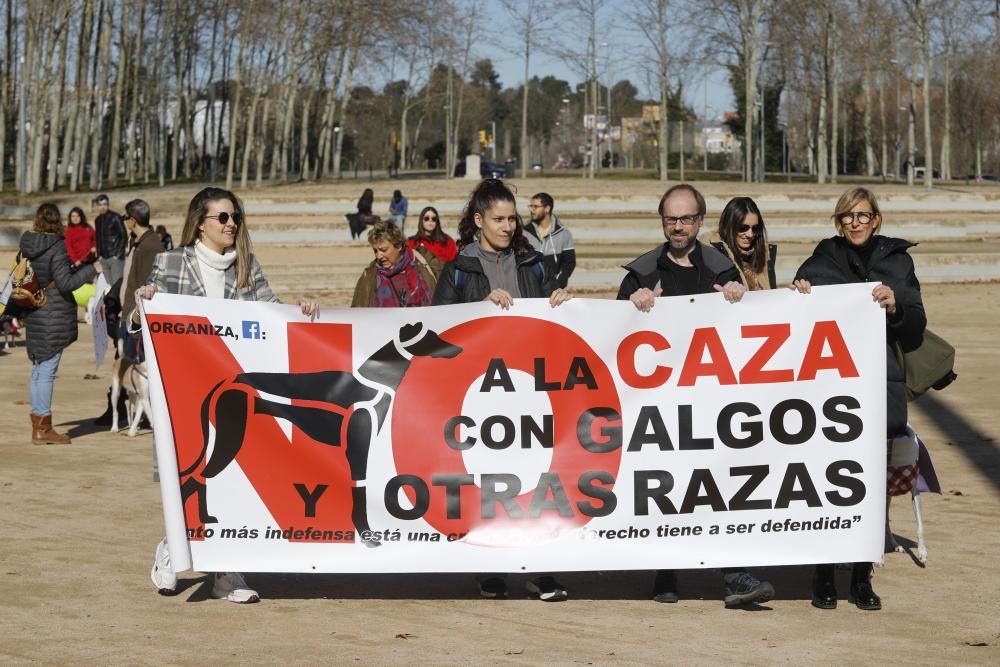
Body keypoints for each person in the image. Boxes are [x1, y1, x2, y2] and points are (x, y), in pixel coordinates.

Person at [136, 186, 319, 604]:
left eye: (234, 217)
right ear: (200, 222)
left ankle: (227, 575)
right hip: (184, 393)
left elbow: (271, 311)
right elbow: (139, 316)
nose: (231, 224)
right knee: (188, 475)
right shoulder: (170, 263)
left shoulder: (246, 267)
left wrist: (300, 311)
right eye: (222, 217)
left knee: (231, 479)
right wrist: (143, 302)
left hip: (232, 395)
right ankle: (171, 548)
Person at [618, 183, 775, 608]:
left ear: (700, 221)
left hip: (712, 400)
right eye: (671, 218)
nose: (679, 226)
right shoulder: (641, 274)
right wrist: (633, 306)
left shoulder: (723, 270)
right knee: (666, 487)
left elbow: (748, 332)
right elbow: (614, 334)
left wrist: (736, 300)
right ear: (662, 221)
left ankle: (733, 576)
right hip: (661, 403)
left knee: (718, 485)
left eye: (686, 218)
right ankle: (665, 573)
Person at [432, 178, 571, 602]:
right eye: (499, 219)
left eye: (513, 218)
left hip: (530, 389)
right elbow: (438, 328)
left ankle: (539, 569)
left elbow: (554, 319)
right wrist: (475, 310)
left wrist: (563, 300)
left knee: (536, 473)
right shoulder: (457, 269)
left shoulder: (534, 264)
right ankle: (491, 565)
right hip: (478, 394)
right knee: (490, 477)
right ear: (478, 221)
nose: (509, 226)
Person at [793, 187, 926, 612]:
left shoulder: (899, 262)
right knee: (826, 483)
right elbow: (793, 323)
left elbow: (917, 326)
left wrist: (895, 307)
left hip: (879, 385)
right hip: (828, 394)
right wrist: (797, 295)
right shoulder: (820, 260)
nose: (855, 223)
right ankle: (824, 574)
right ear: (838, 221)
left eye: (863, 215)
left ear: (876, 220)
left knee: (871, 488)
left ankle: (861, 577)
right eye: (847, 216)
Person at [19, 203, 102, 444]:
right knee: (45, 372)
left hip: (33, 308)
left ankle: (38, 424)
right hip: (52, 312)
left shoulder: (26, 244)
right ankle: (43, 427)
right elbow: (65, 283)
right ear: (58, 221)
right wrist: (91, 270)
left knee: (37, 370)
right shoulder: (56, 247)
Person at [351, 221, 439, 307]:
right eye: (375, 251)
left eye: (383, 250)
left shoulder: (426, 262)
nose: (378, 256)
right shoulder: (369, 276)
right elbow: (357, 313)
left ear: (398, 246)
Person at [711, 196, 776, 290]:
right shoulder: (710, 253)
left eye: (755, 228)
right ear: (729, 226)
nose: (750, 234)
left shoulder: (764, 254)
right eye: (743, 228)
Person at [524, 192, 576, 289]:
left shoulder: (564, 233)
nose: (531, 210)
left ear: (547, 209)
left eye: (536, 206)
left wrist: (559, 283)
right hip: (530, 288)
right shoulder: (524, 232)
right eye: (530, 206)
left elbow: (569, 262)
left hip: (554, 290)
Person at [94, 194, 127, 288]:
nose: (102, 207)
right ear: (97, 206)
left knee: (116, 286)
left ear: (108, 205)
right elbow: (98, 238)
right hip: (103, 258)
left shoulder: (115, 217)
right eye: (100, 204)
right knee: (107, 287)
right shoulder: (97, 220)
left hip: (115, 257)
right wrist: (99, 255)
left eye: (104, 204)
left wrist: (117, 254)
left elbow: (123, 236)